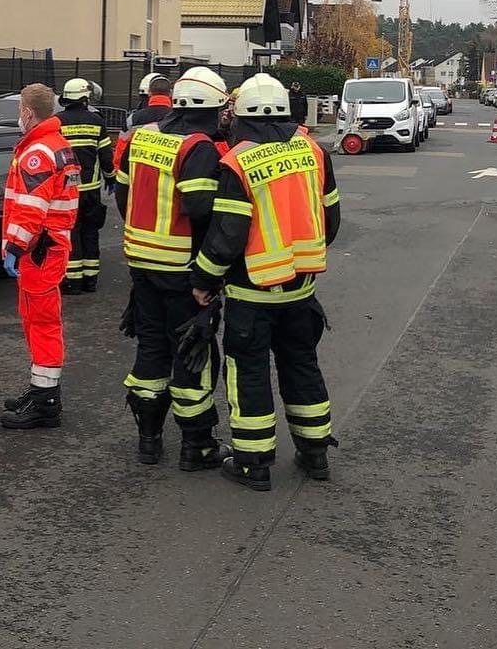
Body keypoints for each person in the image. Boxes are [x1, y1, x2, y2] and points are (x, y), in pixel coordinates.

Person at [192, 73, 342, 492]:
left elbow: (226, 235)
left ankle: (252, 462)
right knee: (301, 365)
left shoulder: (237, 162)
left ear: (240, 117)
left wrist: (203, 279)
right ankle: (315, 453)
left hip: (251, 292)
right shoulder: (314, 152)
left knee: (250, 374)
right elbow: (330, 220)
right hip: (302, 290)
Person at [115, 66, 229, 470]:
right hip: (183, 269)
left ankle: (149, 440)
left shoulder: (141, 138)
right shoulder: (197, 147)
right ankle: (196, 446)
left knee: (151, 350)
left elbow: (123, 196)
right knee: (192, 357)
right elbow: (200, 210)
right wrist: (209, 272)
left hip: (142, 264)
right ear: (213, 107)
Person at [0, 84, 82, 429]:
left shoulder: (39, 152)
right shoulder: (58, 146)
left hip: (39, 249)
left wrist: (15, 247)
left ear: (28, 113)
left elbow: (31, 209)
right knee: (36, 319)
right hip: (48, 245)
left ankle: (46, 400)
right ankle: (41, 388)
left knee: (43, 323)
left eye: (20, 108)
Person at [56, 77, 115, 294]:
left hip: (67, 192)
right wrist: (110, 178)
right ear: (85, 98)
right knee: (90, 233)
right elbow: (106, 156)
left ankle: (72, 282)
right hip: (91, 191)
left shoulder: (58, 122)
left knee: (71, 232)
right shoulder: (96, 121)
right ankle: (91, 279)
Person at [113, 74, 173, 173]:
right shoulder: (178, 118)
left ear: (149, 93)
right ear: (170, 93)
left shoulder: (133, 119)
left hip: (137, 173)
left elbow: (121, 148)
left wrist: (118, 173)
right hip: (167, 175)